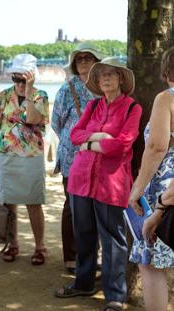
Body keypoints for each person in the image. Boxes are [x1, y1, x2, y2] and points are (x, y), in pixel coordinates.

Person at [55, 57, 142, 311]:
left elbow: (122, 144)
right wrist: (100, 137)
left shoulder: (131, 108)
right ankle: (84, 283)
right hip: (80, 179)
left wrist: (90, 143)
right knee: (83, 234)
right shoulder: (93, 107)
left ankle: (115, 296)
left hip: (111, 183)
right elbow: (74, 134)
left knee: (112, 239)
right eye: (102, 75)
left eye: (111, 74)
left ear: (121, 80)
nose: (106, 78)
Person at [0, 53, 49, 265]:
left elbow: (32, 119)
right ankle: (12, 244)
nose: (20, 84)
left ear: (32, 77)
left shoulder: (40, 96)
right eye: (17, 79)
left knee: (34, 202)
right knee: (9, 202)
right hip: (5, 155)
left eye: (24, 79)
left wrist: (30, 90)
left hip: (31, 156)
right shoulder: (2, 96)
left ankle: (40, 246)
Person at [128, 47, 174, 311]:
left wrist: (137, 188)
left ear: (167, 71)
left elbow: (157, 147)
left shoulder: (166, 99)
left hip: (164, 192)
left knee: (152, 262)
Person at [51, 43, 102, 273]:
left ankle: (92, 256)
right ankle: (71, 257)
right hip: (73, 157)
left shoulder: (104, 87)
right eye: (79, 59)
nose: (83, 62)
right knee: (72, 207)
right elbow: (56, 122)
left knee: (96, 207)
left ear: (96, 62)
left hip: (100, 155)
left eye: (87, 58)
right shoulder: (66, 89)